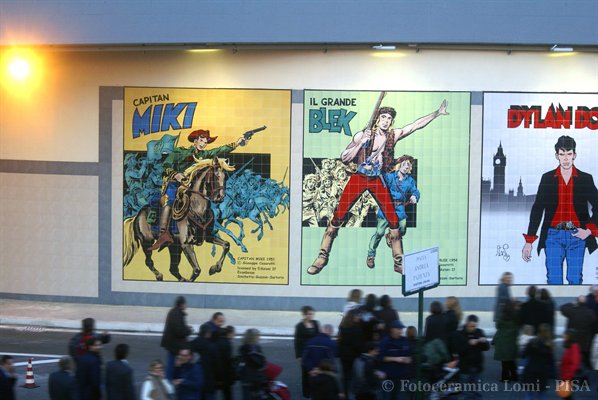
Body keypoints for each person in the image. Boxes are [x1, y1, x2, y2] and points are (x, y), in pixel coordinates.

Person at [307, 99, 448, 275]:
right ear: (377, 119)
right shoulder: (363, 135)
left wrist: (436, 113)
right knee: (339, 214)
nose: (386, 120)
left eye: (389, 118)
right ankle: (322, 255)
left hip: (377, 179)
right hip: (359, 177)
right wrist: (360, 143)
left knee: (393, 218)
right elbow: (344, 157)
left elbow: (415, 126)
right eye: (383, 117)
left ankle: (398, 261)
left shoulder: (392, 135)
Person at [150, 129, 251, 251]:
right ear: (195, 141)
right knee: (169, 202)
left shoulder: (204, 154)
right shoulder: (180, 152)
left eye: (206, 142)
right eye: (202, 140)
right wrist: (176, 174)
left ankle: (206, 231)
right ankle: (163, 234)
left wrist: (237, 143)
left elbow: (219, 150)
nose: (203, 144)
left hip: (191, 186)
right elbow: (165, 166)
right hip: (174, 183)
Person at [522, 135, 598, 284]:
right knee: (553, 279)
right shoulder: (547, 178)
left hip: (577, 235)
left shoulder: (585, 178)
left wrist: (589, 230)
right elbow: (537, 208)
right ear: (557, 155)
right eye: (562, 154)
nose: (565, 158)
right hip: (553, 236)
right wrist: (529, 240)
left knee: (575, 279)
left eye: (569, 154)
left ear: (574, 155)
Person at [367, 154, 420, 269]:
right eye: (404, 164)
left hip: (400, 210)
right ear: (399, 165)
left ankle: (389, 237)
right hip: (387, 209)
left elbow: (416, 191)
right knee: (379, 233)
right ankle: (371, 255)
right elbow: (379, 179)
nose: (406, 167)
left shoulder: (410, 181)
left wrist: (415, 196)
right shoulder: (390, 177)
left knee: (402, 230)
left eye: (408, 165)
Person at [560, 295, 597, 375]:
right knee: (582, 358)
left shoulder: (572, 311)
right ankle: (583, 375)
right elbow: (594, 321)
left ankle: (572, 373)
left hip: (572, 340)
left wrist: (572, 304)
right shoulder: (590, 313)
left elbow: (562, 307)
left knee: (571, 358)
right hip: (584, 340)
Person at [378, 320, 413, 400]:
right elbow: (380, 357)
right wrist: (395, 359)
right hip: (388, 377)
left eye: (401, 329)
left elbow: (410, 356)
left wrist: (409, 359)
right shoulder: (385, 341)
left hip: (402, 377)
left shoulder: (405, 341)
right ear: (392, 329)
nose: (400, 331)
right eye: (398, 329)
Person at [457, 315, 490, 400]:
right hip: (465, 368)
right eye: (471, 326)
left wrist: (484, 342)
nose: (473, 328)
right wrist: (468, 343)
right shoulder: (460, 334)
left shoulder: (479, 332)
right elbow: (459, 350)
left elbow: (486, 348)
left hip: (477, 367)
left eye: (474, 326)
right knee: (465, 392)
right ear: (466, 323)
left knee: (477, 392)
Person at [161, 296, 193, 380]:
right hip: (176, 343)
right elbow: (179, 331)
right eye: (185, 304)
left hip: (172, 343)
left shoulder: (174, 312)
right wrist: (188, 330)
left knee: (172, 361)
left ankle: (171, 380)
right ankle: (173, 380)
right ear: (182, 304)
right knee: (175, 362)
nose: (186, 305)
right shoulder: (177, 314)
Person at [301, 324, 337, 396]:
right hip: (324, 371)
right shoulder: (331, 343)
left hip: (311, 371)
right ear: (330, 331)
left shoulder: (310, 341)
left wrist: (311, 369)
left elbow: (304, 358)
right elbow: (331, 359)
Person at [521, 324, 554, 400]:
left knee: (529, 394)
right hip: (543, 372)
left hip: (531, 370)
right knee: (541, 394)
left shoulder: (532, 342)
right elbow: (550, 361)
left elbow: (523, 355)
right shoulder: (549, 345)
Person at [337, 308, 365, 399]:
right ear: (353, 317)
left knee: (345, 375)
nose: (359, 317)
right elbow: (358, 345)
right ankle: (352, 394)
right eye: (357, 316)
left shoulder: (342, 327)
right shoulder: (357, 329)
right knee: (354, 376)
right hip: (353, 356)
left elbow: (339, 341)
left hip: (343, 355)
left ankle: (344, 393)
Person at [294, 305, 320, 399]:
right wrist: (299, 356)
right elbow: (297, 342)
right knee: (305, 374)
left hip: (315, 352)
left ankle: (314, 391)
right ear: (304, 314)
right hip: (305, 353)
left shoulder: (316, 323)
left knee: (316, 372)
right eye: (309, 314)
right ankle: (306, 393)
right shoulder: (299, 326)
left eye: (312, 314)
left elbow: (319, 337)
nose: (311, 316)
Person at [189, 323, 221, 400]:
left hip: (194, 380)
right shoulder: (212, 346)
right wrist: (219, 379)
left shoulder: (191, 344)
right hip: (209, 381)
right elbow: (217, 365)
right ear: (208, 333)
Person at [493, 300, 519, 382]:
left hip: (502, 341)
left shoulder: (501, 317)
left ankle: (505, 378)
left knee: (504, 362)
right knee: (511, 360)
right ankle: (514, 376)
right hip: (512, 340)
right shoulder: (516, 317)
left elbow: (497, 326)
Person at [238, 328, 267, 400]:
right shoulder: (255, 348)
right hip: (255, 378)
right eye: (258, 336)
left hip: (245, 377)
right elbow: (259, 363)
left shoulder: (242, 348)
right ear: (254, 337)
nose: (260, 338)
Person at [215, 326, 236, 400]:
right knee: (227, 394)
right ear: (229, 333)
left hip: (217, 372)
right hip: (225, 373)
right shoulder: (227, 343)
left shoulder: (217, 341)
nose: (234, 334)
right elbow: (228, 359)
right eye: (233, 333)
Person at [559, 329, 582, 400]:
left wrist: (568, 375)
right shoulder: (569, 346)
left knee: (566, 396)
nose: (563, 336)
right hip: (565, 375)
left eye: (565, 335)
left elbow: (575, 363)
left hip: (568, 376)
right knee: (565, 395)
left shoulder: (574, 347)